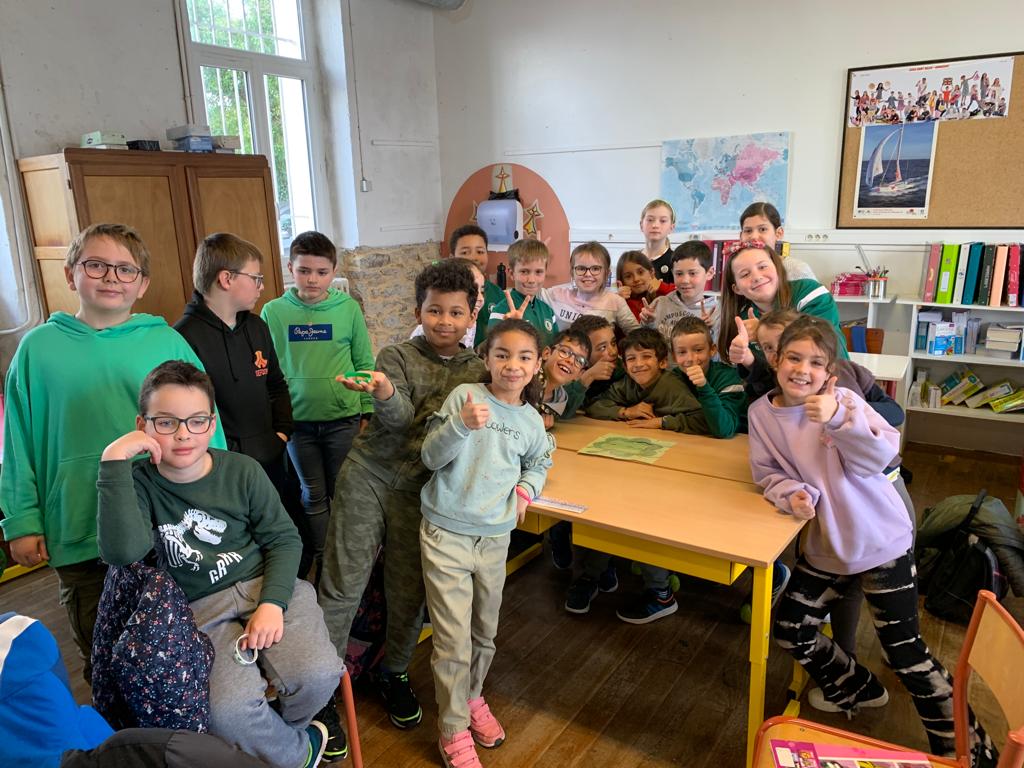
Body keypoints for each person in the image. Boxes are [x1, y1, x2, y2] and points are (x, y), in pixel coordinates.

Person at [747, 316, 996, 764]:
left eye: (816, 363)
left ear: (830, 372)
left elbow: (881, 457)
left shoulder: (844, 402)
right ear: (776, 360)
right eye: (793, 358)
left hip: (882, 543)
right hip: (828, 546)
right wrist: (792, 493)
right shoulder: (761, 414)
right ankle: (859, 687)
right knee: (789, 628)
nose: (802, 370)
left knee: (906, 654)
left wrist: (838, 419)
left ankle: (972, 752)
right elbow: (769, 473)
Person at [0, 223, 224, 685]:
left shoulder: (167, 343)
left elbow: (207, 424)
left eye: (125, 269)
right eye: (96, 265)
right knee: (103, 653)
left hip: (166, 521)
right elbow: (18, 443)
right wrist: (21, 520)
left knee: (179, 651)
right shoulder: (37, 350)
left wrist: (220, 495)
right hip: (77, 524)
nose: (111, 277)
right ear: (70, 274)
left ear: (142, 284)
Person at [96, 361, 345, 768]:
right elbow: (123, 553)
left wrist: (272, 603)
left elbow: (284, 539)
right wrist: (114, 461)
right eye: (166, 422)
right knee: (226, 714)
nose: (183, 434)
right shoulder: (138, 482)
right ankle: (296, 751)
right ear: (142, 426)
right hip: (198, 610)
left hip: (266, 585)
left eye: (196, 421)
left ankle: (278, 734)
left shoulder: (242, 471)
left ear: (211, 424)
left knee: (319, 674)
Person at [318, 260, 486, 731]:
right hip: (369, 475)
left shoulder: (479, 370)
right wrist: (387, 391)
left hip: (422, 492)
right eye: (435, 311)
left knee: (408, 590)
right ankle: (323, 686)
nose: (445, 321)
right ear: (418, 312)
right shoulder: (395, 355)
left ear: (471, 316)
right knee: (343, 581)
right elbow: (399, 420)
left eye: (456, 312)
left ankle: (393, 672)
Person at [419, 318, 554, 768]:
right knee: (452, 641)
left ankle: (472, 696)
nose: (512, 365)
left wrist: (526, 490)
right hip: (446, 534)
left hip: (495, 538)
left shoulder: (531, 419)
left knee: (484, 633)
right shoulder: (466, 397)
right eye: (502, 354)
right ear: (486, 358)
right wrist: (460, 425)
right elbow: (430, 457)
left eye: (523, 357)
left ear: (537, 364)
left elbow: (540, 460)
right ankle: (453, 727)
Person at [173, 233, 305, 572]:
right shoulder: (184, 337)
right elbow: (186, 413)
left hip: (271, 457)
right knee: (242, 550)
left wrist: (281, 434)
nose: (262, 286)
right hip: (222, 468)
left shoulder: (256, 326)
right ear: (226, 279)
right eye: (256, 278)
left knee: (287, 538)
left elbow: (276, 385)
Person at [261, 230, 374, 583]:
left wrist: (367, 410)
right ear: (290, 269)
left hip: (343, 418)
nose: (312, 279)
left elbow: (363, 361)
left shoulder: (348, 309)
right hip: (297, 423)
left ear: (333, 272)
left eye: (321, 272)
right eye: (304, 270)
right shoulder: (273, 312)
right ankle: (324, 558)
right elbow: (267, 369)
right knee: (312, 493)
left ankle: (346, 557)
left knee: (343, 490)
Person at [717, 239, 847, 367]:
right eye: (745, 274)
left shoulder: (809, 292)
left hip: (836, 376)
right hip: (786, 380)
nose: (757, 277)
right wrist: (748, 361)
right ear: (737, 289)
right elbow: (765, 375)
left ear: (777, 267)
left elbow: (822, 340)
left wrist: (764, 331)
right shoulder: (744, 321)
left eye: (762, 267)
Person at [588, 328, 708, 434]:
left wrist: (662, 422)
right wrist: (626, 412)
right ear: (625, 367)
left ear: (663, 362)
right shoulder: (627, 383)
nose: (638, 364)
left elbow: (703, 420)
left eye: (646, 356)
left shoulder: (672, 386)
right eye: (631, 358)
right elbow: (594, 405)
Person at [670, 316, 747, 438]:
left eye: (698, 350)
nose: (690, 358)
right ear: (674, 356)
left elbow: (724, 430)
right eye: (682, 352)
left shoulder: (727, 377)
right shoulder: (673, 378)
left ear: (712, 350)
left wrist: (703, 386)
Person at [545, 241, 640, 333]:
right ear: (572, 273)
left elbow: (636, 333)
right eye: (581, 268)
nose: (588, 274)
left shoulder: (615, 301)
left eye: (595, 269)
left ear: (606, 273)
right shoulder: (556, 295)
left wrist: (647, 322)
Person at [640, 240, 720, 345]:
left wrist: (710, 331)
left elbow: (717, 351)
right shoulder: (659, 304)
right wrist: (647, 323)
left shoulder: (717, 311)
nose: (685, 280)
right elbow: (645, 343)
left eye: (692, 273)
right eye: (679, 274)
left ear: (709, 273)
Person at [486, 238, 557, 347]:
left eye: (538, 272)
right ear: (511, 273)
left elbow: (554, 347)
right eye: (524, 272)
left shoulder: (548, 311)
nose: (531, 280)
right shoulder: (501, 311)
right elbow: (492, 350)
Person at [412, 256, 485, 349]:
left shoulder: (471, 321)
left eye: (482, 291)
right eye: (472, 290)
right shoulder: (424, 334)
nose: (480, 298)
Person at [449, 224, 503, 346]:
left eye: (480, 251)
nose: (474, 257)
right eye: (465, 252)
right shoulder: (445, 294)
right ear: (452, 258)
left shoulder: (497, 293)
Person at [738, 202, 815, 281]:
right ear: (741, 236)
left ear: (778, 233)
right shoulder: (738, 270)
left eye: (762, 229)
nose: (754, 236)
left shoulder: (797, 270)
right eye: (748, 231)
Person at [568, 314, 625, 408]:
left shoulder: (624, 371)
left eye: (613, 343)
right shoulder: (566, 370)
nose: (613, 352)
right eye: (603, 347)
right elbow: (562, 409)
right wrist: (587, 378)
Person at [538, 328, 591, 429]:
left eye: (579, 360)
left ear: (579, 375)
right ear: (547, 353)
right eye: (565, 351)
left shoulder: (560, 400)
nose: (570, 361)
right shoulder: (524, 380)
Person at [616, 250, 673, 321]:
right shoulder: (621, 301)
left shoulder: (662, 292)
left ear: (651, 273)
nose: (636, 279)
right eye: (628, 276)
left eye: (640, 272)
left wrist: (661, 286)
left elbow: (682, 294)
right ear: (621, 281)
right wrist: (618, 300)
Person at [639, 199, 677, 278]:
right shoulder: (631, 260)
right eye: (650, 220)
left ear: (671, 227)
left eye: (663, 221)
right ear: (641, 225)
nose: (655, 225)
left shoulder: (676, 262)